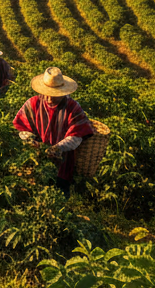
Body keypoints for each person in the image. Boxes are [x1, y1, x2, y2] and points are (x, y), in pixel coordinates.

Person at [12, 67, 94, 198]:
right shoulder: (33, 103)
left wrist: (57, 148)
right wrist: (30, 140)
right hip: (37, 161)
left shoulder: (73, 108)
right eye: (47, 93)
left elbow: (76, 137)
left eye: (54, 95)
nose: (49, 99)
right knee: (36, 197)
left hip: (63, 162)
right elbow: (22, 129)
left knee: (60, 198)